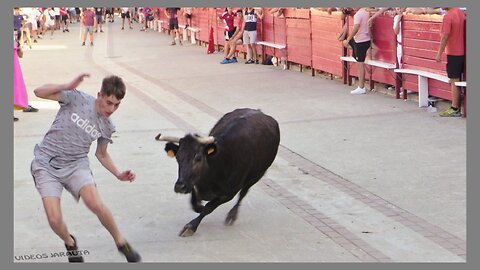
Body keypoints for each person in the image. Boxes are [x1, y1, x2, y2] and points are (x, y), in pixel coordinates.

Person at [31, 73, 142, 263]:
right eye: (108, 102)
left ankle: (121, 242)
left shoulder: (107, 125)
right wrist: (66, 84)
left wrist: (118, 174)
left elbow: (101, 153)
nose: (111, 109)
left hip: (76, 165)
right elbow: (38, 92)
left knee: (95, 204)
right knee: (54, 220)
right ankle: (70, 243)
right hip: (46, 163)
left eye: (116, 105)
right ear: (99, 95)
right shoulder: (76, 98)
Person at [436, 7, 466, 117]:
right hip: (462, 51)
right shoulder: (460, 13)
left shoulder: (448, 16)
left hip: (453, 52)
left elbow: (444, 36)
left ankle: (455, 107)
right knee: (456, 80)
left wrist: (439, 53)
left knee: (454, 80)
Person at [342, 7, 371, 94]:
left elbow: (356, 28)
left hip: (360, 41)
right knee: (359, 63)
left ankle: (361, 87)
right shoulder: (366, 12)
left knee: (360, 65)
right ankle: (361, 86)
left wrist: (349, 39)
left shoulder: (358, 14)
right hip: (365, 39)